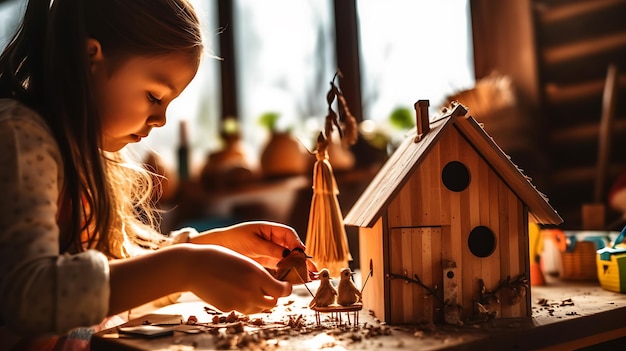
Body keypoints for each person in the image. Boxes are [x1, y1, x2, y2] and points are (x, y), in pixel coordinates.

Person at [0, 0, 313, 349]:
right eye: (154, 96)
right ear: (89, 55)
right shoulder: (19, 136)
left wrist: (207, 249)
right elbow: (26, 297)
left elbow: (109, 292)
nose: (161, 119)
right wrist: (185, 266)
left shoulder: (85, 161)